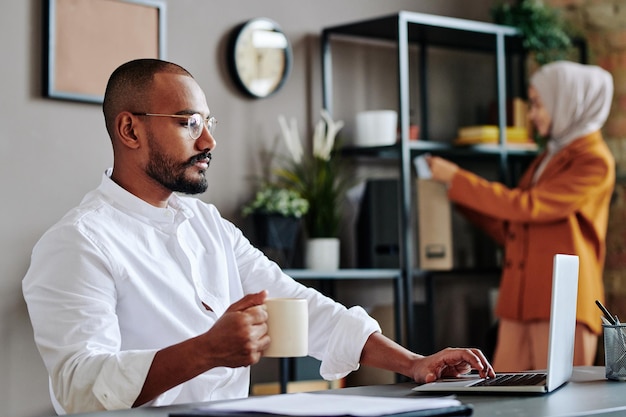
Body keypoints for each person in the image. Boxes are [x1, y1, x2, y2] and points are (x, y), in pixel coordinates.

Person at [22, 58, 495, 414]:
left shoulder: (209, 226)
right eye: (189, 123)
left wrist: (414, 364)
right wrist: (204, 351)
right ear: (129, 129)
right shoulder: (78, 243)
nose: (208, 141)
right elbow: (80, 388)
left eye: (208, 123)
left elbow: (298, 306)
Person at [427, 60, 614, 372]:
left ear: (566, 100)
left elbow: (528, 206)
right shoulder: (549, 157)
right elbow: (514, 226)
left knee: (561, 406)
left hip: (563, 303)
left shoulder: (594, 161)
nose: (531, 115)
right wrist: (457, 196)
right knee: (504, 399)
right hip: (519, 302)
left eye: (538, 104)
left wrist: (459, 179)